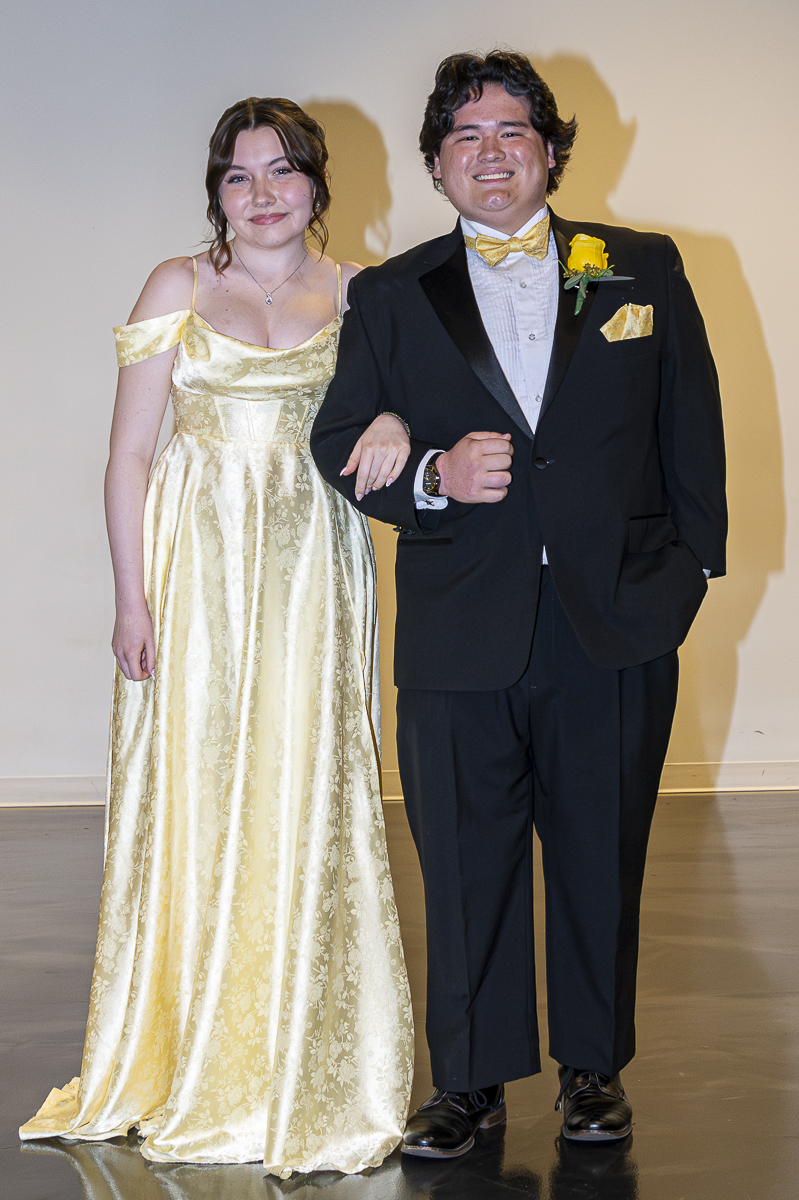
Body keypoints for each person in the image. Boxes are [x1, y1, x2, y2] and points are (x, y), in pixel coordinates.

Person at [311, 50, 726, 1154]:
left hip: (615, 618)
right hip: (460, 622)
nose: (489, 153)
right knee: (463, 862)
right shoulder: (389, 293)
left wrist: (689, 572)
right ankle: (471, 1083)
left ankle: (594, 1070)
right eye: (465, 137)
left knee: (602, 852)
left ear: (548, 152)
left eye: (511, 132)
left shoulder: (638, 267)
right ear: (437, 166)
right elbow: (337, 438)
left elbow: (691, 420)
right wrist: (432, 474)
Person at [20, 97, 415, 1177]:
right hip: (195, 568)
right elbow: (129, 455)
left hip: (313, 569)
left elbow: (404, 406)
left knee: (305, 786)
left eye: (282, 170)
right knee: (197, 788)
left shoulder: (363, 292)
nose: (262, 192)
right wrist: (130, 598)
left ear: (316, 182)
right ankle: (189, 1046)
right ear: (217, 193)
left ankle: (303, 1057)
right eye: (239, 175)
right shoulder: (178, 286)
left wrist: (392, 418)